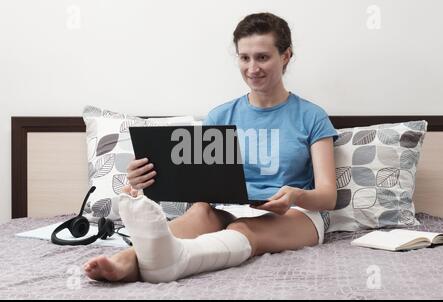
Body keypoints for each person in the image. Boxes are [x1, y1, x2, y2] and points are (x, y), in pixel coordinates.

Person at [84, 12, 338, 283]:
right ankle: (126, 260)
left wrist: (295, 196)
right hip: (228, 211)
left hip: (295, 215)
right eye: (244, 58)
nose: (252, 68)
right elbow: (201, 184)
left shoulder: (311, 116)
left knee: (244, 228)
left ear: (285, 56)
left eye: (262, 57)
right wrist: (146, 179)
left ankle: (171, 261)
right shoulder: (221, 116)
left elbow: (328, 196)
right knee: (200, 210)